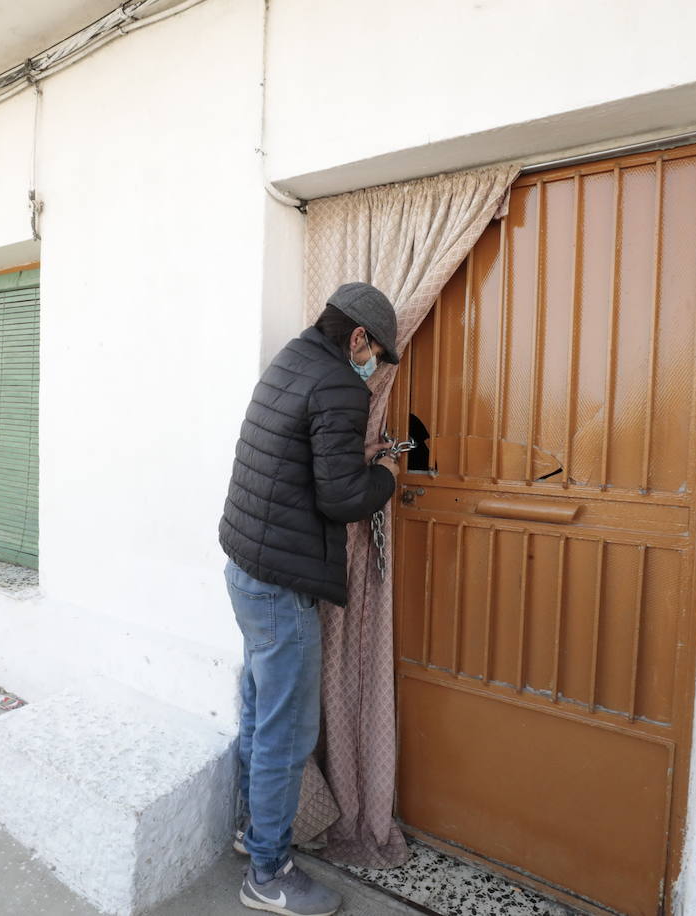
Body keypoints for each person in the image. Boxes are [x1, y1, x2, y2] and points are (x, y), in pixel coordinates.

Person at [219, 282, 400, 916]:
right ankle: (268, 873)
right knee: (286, 735)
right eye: (377, 353)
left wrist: (354, 459)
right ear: (358, 338)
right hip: (279, 584)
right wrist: (386, 475)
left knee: (259, 711)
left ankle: (251, 833)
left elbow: (306, 463)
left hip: (245, 566)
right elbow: (341, 497)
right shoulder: (342, 385)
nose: (374, 368)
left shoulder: (293, 359)